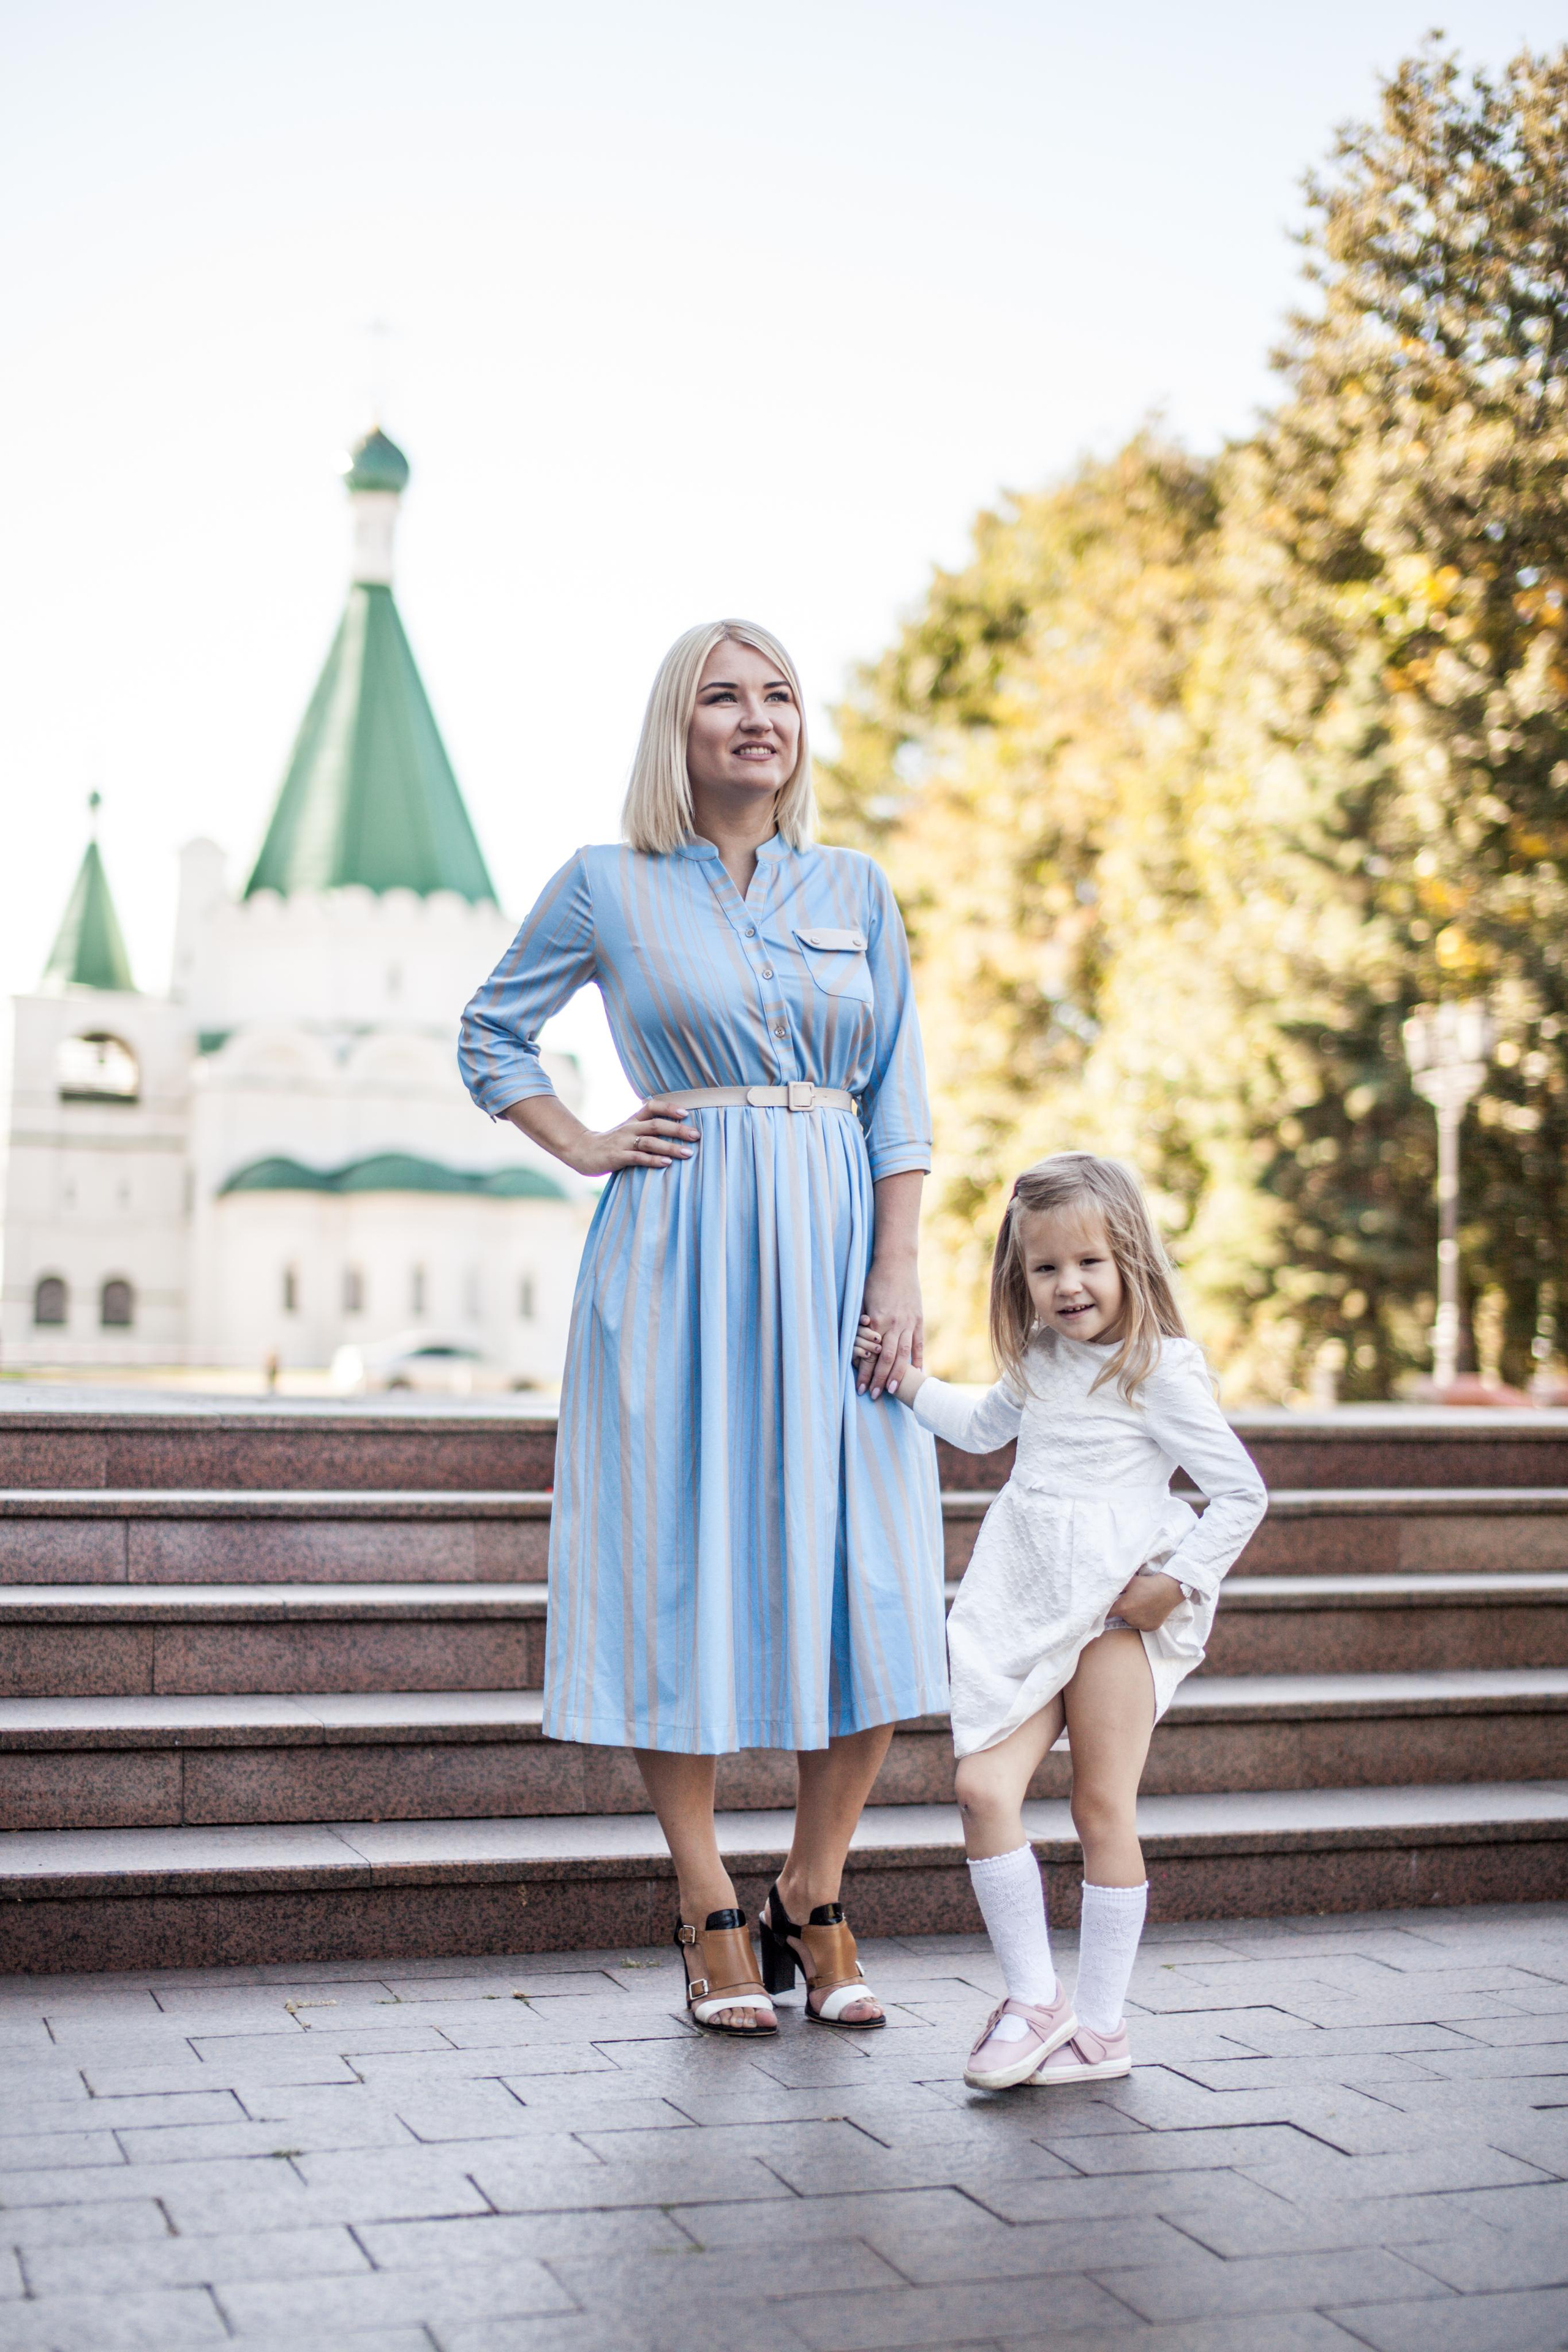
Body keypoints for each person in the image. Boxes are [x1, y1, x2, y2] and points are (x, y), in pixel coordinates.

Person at [459, 620, 946, 2035]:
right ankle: (702, 1899)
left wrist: (897, 1273)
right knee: (673, 1562)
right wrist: (584, 1139)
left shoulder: (855, 887)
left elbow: (897, 1101)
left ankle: (815, 1882)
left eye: (778, 695)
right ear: (676, 729)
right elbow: (492, 1031)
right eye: (723, 697)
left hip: (840, 1254)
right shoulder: (605, 885)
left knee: (868, 1575)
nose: (756, 717)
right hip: (674, 1259)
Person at [854, 1150, 1265, 2089]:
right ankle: (1036, 2001)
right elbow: (981, 1427)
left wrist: (1181, 1581)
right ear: (1021, 1278)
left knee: (1099, 1806)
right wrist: (906, 1380)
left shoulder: (1156, 1369)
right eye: (1046, 1268)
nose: (1068, 1285)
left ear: (1129, 1259)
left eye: (1088, 1263)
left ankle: (1103, 2029)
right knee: (983, 1787)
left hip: (1121, 1607)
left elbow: (1242, 1493)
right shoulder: (1038, 1360)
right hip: (1034, 1599)